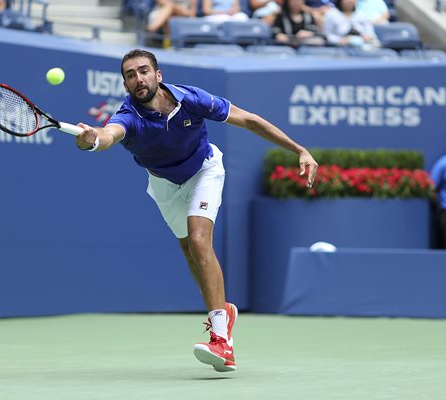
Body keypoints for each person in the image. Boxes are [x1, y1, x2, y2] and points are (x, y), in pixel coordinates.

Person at [74, 49, 318, 372]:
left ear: (158, 75)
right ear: (125, 83)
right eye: (130, 75)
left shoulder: (191, 99)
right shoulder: (128, 117)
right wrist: (91, 140)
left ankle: (221, 339)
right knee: (189, 250)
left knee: (199, 239)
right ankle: (224, 313)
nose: (138, 79)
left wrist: (299, 149)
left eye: (144, 71)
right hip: (164, 185)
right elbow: (108, 135)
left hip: (204, 170)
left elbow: (249, 120)